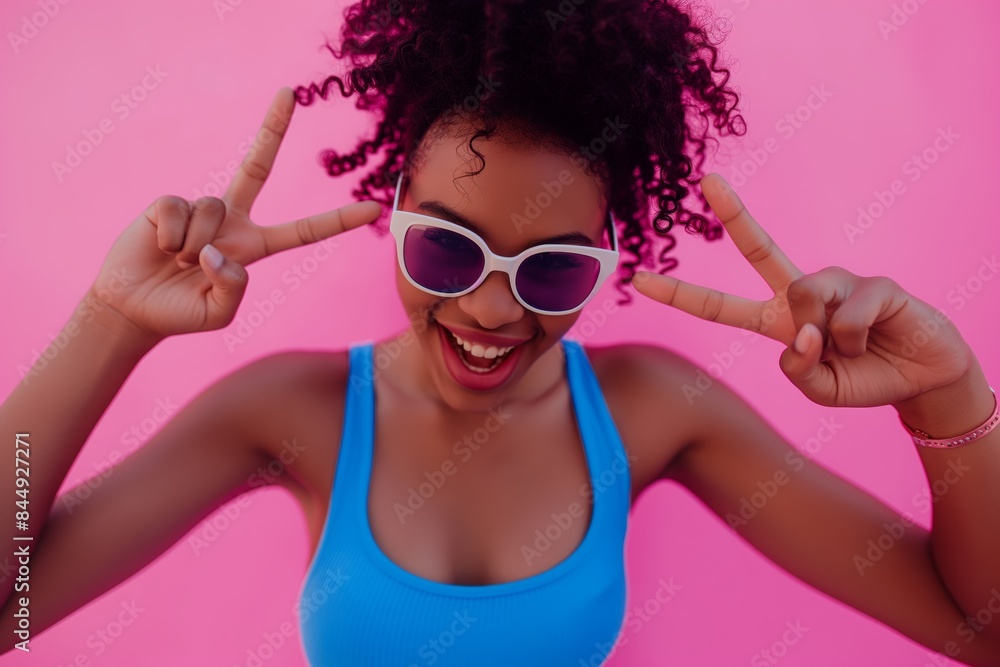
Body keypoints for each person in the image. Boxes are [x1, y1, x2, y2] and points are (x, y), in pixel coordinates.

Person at [1, 0, 998, 665]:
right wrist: (110, 322)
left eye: (554, 268)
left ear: (613, 252)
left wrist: (947, 393)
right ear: (394, 210)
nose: (491, 312)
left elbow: (976, 625)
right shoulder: (291, 410)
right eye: (447, 249)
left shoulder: (653, 410)